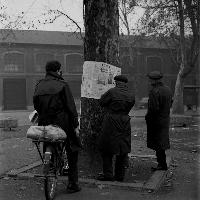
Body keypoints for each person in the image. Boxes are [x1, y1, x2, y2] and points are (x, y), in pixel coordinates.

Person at [33, 60, 81, 193]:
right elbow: (71, 107)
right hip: (62, 122)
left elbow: (36, 105)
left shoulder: (39, 84)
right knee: (73, 147)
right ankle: (73, 184)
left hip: (44, 121)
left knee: (47, 139)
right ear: (58, 70)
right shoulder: (63, 84)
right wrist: (75, 125)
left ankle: (48, 165)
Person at [97, 75, 135, 182]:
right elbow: (131, 105)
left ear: (116, 82)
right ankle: (120, 176)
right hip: (125, 121)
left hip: (111, 121)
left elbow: (102, 102)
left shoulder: (112, 92)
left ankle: (108, 174)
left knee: (106, 148)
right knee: (123, 149)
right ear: (125, 84)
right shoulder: (131, 94)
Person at [145, 71, 173, 171]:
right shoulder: (168, 89)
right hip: (165, 119)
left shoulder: (154, 91)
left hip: (156, 121)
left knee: (158, 143)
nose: (149, 81)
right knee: (162, 142)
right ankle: (162, 164)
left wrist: (148, 118)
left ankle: (162, 164)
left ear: (153, 80)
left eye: (150, 79)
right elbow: (170, 104)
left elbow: (153, 108)